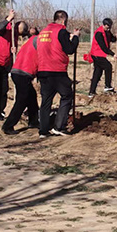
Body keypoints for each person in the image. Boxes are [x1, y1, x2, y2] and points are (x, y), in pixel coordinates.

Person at [36, 10, 80, 138]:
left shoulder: (43, 32)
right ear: (63, 20)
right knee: (67, 96)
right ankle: (59, 126)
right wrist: (76, 37)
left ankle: (43, 130)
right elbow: (70, 49)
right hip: (57, 70)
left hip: (43, 70)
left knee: (46, 101)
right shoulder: (61, 31)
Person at [0, 10, 28, 121]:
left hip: (4, 64)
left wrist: (13, 51)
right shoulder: (4, 29)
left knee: (4, 89)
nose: (19, 33)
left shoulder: (14, 36)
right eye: (19, 30)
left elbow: (11, 51)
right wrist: (9, 18)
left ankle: (1, 110)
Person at [1, 30, 40, 135]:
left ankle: (34, 121)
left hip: (17, 72)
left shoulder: (29, 42)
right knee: (21, 101)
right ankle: (8, 125)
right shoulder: (39, 41)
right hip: (24, 73)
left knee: (31, 96)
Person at [88, 18, 117, 97]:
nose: (108, 29)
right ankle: (107, 86)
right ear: (104, 25)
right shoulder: (99, 33)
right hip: (96, 54)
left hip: (100, 55)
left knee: (97, 73)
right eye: (107, 27)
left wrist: (116, 37)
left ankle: (91, 92)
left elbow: (112, 39)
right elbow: (103, 47)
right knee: (108, 66)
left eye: (109, 27)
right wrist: (112, 54)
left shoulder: (107, 32)